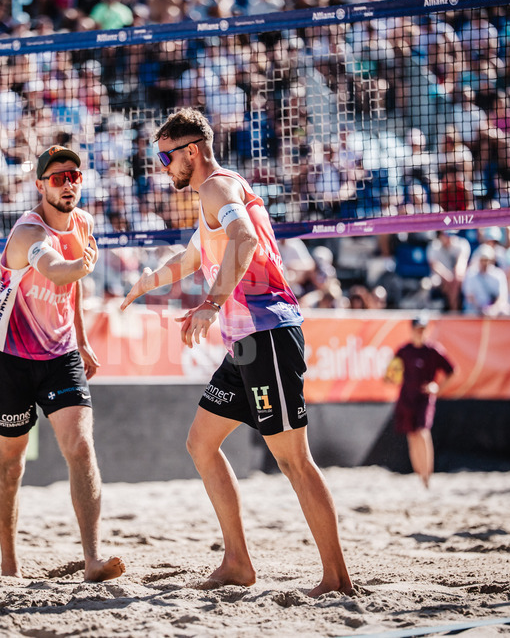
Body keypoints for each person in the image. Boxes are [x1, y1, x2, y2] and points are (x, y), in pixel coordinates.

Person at [120, 108, 354, 597]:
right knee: (201, 443)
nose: (163, 167)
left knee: (293, 460)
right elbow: (191, 258)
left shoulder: (216, 188)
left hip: (267, 333)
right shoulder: (218, 195)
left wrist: (209, 304)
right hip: (244, 343)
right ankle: (237, 562)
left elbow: (245, 240)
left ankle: (336, 579)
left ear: (191, 151)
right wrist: (144, 284)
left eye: (166, 156)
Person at [0, 145, 124, 582]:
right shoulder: (27, 231)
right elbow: (59, 272)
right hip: (10, 356)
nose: (68, 183)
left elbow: (72, 289)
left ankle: (93, 559)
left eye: (74, 175)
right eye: (58, 177)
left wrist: (79, 339)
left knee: (80, 448)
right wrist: (82, 264)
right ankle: (9, 564)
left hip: (59, 354)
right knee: (11, 463)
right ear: (40, 185)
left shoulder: (84, 223)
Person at [384, 313, 455, 488]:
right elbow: (389, 375)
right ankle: (420, 476)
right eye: (417, 329)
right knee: (412, 436)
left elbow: (452, 371)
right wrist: (391, 377)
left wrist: (437, 388)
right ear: (412, 330)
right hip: (407, 398)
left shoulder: (433, 350)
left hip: (424, 399)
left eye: (423, 329)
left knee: (423, 433)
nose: (420, 332)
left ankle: (427, 475)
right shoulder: (404, 351)